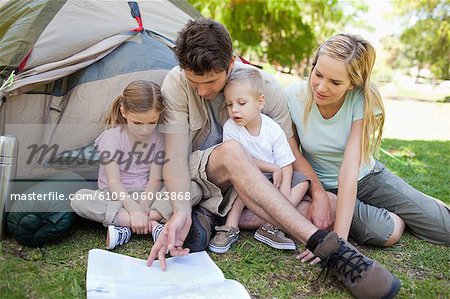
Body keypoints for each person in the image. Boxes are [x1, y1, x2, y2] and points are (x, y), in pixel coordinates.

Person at [147, 19, 401, 298]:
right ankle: (328, 248)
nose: (202, 92)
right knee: (234, 152)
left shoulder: (266, 88)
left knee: (323, 205)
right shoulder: (176, 81)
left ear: (231, 64)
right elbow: (175, 157)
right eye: (194, 82)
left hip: (250, 189)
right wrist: (181, 210)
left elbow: (287, 156)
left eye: (210, 82)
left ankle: (207, 218)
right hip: (201, 173)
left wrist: (316, 191)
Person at [285, 33, 450, 249]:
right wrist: (318, 193)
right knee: (381, 232)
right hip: (322, 183)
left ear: (353, 83)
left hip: (367, 177)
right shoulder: (292, 96)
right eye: (318, 74)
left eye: (335, 82)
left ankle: (420, 205)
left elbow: (349, 170)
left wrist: (339, 243)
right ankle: (400, 216)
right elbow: (293, 153)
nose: (321, 87)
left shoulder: (360, 99)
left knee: (445, 229)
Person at [208, 68, 315, 253]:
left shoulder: (273, 129)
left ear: (260, 102)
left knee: (303, 182)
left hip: (276, 176)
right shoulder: (231, 128)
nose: (234, 109)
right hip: (247, 175)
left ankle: (271, 226)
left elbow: (286, 164)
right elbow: (241, 160)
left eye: (241, 103)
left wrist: (283, 193)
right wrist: (271, 167)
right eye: (229, 104)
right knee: (241, 186)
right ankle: (231, 226)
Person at [71, 80, 169, 250]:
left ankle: (126, 227)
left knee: (189, 188)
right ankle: (152, 224)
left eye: (152, 122)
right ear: (124, 112)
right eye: (137, 123)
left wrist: (143, 207)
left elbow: (154, 180)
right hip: (113, 196)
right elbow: (113, 182)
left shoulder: (159, 140)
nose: (145, 130)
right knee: (79, 198)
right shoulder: (111, 138)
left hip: (145, 196)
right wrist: (134, 212)